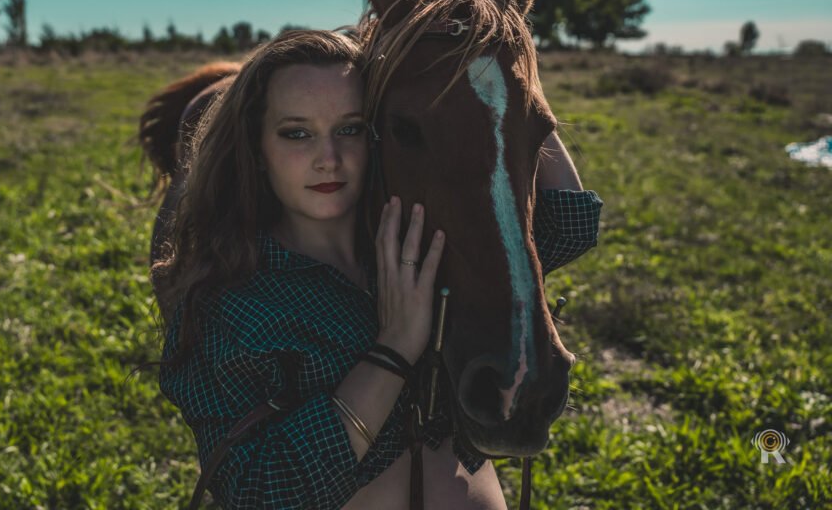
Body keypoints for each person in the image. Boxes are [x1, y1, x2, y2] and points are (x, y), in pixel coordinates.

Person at [154, 29, 603, 509]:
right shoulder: (230, 304)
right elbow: (259, 492)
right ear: (256, 148)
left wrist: (506, 62)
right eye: (297, 133)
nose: (329, 160)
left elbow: (570, 222)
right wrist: (392, 351)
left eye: (349, 129)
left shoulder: (423, 244)